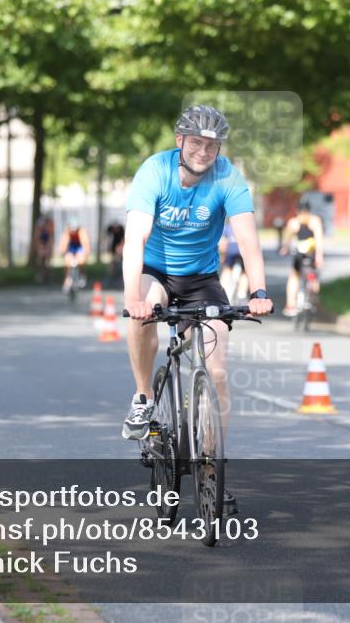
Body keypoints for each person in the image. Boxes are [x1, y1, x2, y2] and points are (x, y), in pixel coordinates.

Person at [120, 104, 273, 515]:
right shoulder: (154, 172)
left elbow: (248, 240)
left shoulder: (228, 177)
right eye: (196, 143)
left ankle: (210, 466)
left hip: (202, 279)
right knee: (145, 313)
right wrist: (133, 298)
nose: (204, 152)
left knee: (217, 370)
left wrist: (258, 291)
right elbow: (135, 239)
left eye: (212, 145)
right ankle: (143, 396)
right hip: (156, 272)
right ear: (180, 141)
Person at [279, 198, 325, 317]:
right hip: (311, 254)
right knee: (313, 277)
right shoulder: (315, 221)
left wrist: (284, 250)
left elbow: (287, 241)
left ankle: (290, 304)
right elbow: (319, 240)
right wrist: (319, 257)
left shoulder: (294, 222)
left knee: (294, 276)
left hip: (299, 255)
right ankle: (315, 300)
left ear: (297, 210)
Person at [218, 220, 248, 304]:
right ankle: (242, 295)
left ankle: (222, 292)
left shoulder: (227, 227)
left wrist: (223, 256)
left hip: (231, 250)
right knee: (244, 273)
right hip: (242, 251)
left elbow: (223, 243)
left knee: (227, 269)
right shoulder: (245, 227)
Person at [59, 217, 91, 292]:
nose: (73, 232)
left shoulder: (82, 232)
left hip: (79, 247)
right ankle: (67, 280)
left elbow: (86, 245)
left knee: (81, 260)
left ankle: (82, 275)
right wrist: (64, 252)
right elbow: (63, 244)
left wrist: (85, 254)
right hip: (71, 247)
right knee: (67, 261)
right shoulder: (67, 232)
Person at [32, 213, 55, 284]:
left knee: (47, 260)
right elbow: (37, 237)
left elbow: (51, 238)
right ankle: (41, 274)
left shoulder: (49, 225)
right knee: (41, 259)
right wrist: (39, 246)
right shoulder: (39, 227)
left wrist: (49, 247)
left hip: (47, 243)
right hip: (41, 242)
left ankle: (47, 274)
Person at [106, 221, 126, 287]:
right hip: (113, 245)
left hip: (120, 245)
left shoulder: (121, 230)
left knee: (121, 261)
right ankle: (111, 276)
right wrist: (108, 248)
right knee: (112, 262)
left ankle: (121, 276)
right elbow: (107, 239)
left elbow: (123, 240)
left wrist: (121, 247)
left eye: (117, 229)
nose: (116, 230)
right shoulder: (110, 230)